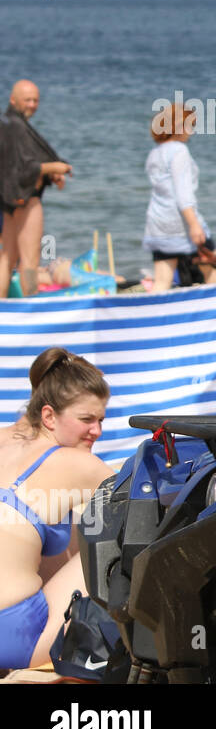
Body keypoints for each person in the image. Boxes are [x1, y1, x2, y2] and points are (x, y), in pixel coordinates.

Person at [0, 348, 114, 671]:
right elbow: (142, 498)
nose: (97, 431)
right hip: (14, 635)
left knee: (52, 528)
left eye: (101, 420)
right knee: (108, 539)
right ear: (49, 416)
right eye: (87, 420)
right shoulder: (78, 464)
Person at [0, 81, 73, 298]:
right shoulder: (15, 126)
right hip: (26, 200)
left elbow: (15, 164)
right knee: (30, 260)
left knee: (7, 257)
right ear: (13, 100)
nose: (32, 105)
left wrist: (50, 173)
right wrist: (55, 167)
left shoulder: (7, 124)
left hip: (9, 202)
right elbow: (23, 168)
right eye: (27, 100)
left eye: (35, 100)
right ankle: (31, 303)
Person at [143, 102, 216, 292]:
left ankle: (153, 318)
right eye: (190, 125)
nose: (192, 132)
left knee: (161, 282)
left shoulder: (154, 154)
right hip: (182, 223)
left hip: (158, 223)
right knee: (213, 272)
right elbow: (182, 193)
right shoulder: (179, 151)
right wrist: (194, 224)